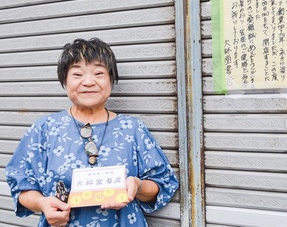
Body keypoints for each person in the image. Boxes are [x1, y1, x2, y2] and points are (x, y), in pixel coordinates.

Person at [6, 37, 179, 226]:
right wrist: (42, 203)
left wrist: (137, 185)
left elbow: (161, 183)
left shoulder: (133, 128)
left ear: (111, 79)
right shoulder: (45, 129)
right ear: (64, 80)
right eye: (77, 74)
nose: (88, 82)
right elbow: (21, 186)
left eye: (98, 73)